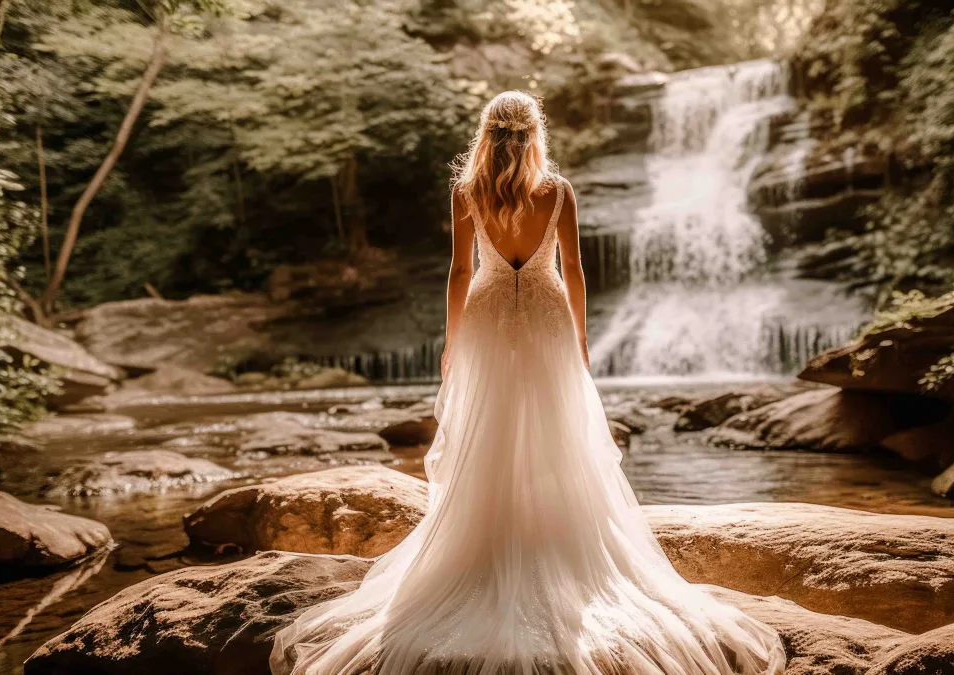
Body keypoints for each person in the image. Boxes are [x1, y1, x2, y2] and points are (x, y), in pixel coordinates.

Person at [270, 90, 786, 675]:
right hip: (546, 314)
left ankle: (486, 542)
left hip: (488, 315)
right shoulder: (558, 191)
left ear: (486, 134)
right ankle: (550, 542)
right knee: (555, 432)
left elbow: (462, 271)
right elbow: (575, 269)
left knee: (490, 432)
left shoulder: (468, 192)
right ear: (534, 133)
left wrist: (453, 340)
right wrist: (582, 341)